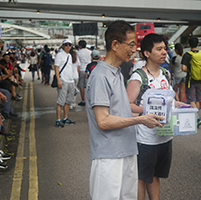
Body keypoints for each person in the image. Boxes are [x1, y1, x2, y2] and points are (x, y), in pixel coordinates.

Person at [86, 20, 164, 200]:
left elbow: (120, 112)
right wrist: (140, 120)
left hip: (127, 150)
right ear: (115, 45)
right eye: (130, 44)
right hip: (109, 156)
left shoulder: (117, 72)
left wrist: (147, 115)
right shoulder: (100, 76)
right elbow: (103, 121)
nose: (134, 49)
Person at [126, 33, 185, 200]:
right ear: (146, 53)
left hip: (165, 136)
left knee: (155, 175)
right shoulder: (139, 77)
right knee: (141, 177)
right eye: (159, 49)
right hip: (145, 139)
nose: (164, 52)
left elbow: (170, 100)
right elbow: (127, 105)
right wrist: (146, 112)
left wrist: (180, 106)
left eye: (165, 48)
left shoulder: (166, 74)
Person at [182, 36, 201, 126]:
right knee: (197, 99)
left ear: (189, 45)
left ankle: (197, 117)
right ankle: (196, 116)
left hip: (191, 80)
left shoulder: (187, 55)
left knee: (191, 99)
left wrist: (191, 71)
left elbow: (183, 68)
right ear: (198, 44)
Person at [54, 39, 76, 128]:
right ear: (63, 46)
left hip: (70, 80)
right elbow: (56, 68)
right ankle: (58, 120)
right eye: (66, 45)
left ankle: (65, 118)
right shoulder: (59, 55)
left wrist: (73, 79)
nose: (68, 46)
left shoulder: (69, 56)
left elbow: (69, 68)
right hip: (63, 80)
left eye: (69, 45)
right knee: (60, 101)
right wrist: (59, 80)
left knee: (68, 101)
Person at [77, 40, 92, 106]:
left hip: (82, 69)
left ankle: (83, 100)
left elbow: (78, 63)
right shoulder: (90, 52)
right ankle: (90, 100)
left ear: (80, 46)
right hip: (89, 69)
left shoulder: (78, 52)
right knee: (89, 86)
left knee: (81, 86)